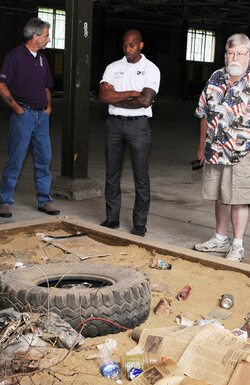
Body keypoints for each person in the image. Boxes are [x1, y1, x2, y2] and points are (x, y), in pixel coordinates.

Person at [193, 33, 250, 262]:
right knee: (220, 196)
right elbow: (204, 113)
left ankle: (238, 244)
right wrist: (202, 145)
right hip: (215, 150)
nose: (234, 58)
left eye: (240, 53)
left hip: (243, 153)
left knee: (239, 199)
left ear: (249, 55)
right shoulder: (215, 77)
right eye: (230, 53)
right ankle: (220, 238)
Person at [0, 17, 59, 219]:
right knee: (15, 159)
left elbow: (46, 86)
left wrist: (48, 108)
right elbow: (1, 86)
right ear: (35, 36)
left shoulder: (42, 59)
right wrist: (17, 109)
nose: (49, 40)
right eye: (47, 35)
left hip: (42, 117)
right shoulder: (14, 56)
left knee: (44, 159)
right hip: (24, 116)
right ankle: (5, 202)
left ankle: (45, 200)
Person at [99, 29, 160, 237]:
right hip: (114, 124)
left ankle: (140, 223)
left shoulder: (151, 69)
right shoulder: (113, 67)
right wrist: (132, 93)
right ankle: (112, 218)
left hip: (138, 126)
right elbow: (104, 96)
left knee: (140, 176)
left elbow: (145, 101)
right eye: (124, 45)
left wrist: (118, 97)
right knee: (112, 173)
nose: (127, 49)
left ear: (141, 45)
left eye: (132, 45)